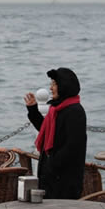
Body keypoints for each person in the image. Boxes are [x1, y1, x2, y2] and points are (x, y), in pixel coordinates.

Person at [24, 68, 86, 199]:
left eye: (54, 84)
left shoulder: (75, 111)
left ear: (64, 86)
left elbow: (73, 146)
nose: (51, 88)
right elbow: (46, 131)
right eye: (51, 84)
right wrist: (33, 109)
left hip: (64, 180)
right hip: (50, 178)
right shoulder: (56, 108)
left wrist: (52, 163)